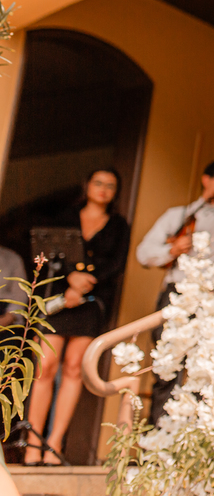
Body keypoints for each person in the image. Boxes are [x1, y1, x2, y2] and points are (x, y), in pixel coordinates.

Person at [25, 168, 130, 465]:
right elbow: (46, 253)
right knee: (45, 366)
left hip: (91, 302)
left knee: (74, 368)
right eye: (98, 183)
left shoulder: (119, 225)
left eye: (110, 185)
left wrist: (85, 283)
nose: (103, 189)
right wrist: (69, 280)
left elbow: (116, 264)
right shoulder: (65, 216)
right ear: (87, 186)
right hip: (59, 299)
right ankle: (34, 443)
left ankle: (55, 442)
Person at [135, 159, 214, 425]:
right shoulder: (178, 216)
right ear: (206, 179)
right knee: (167, 370)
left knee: (208, 370)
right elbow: (144, 254)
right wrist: (172, 250)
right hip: (177, 292)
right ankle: (158, 440)